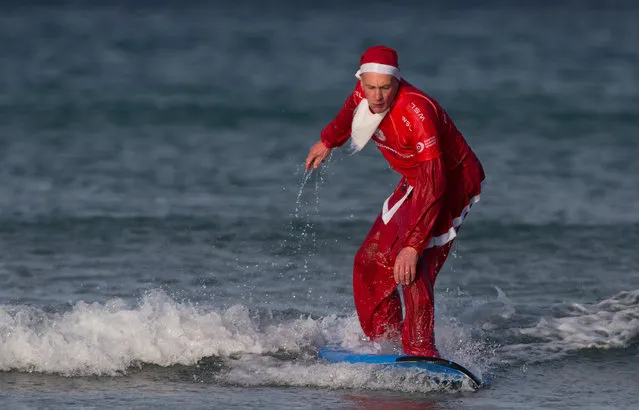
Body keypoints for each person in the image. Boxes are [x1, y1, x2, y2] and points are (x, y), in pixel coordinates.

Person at [305, 45, 485, 357]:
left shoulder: (417, 112)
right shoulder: (363, 95)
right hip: (417, 181)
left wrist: (414, 244)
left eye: (385, 88)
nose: (377, 96)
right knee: (369, 261)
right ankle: (385, 342)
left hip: (451, 181)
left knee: (412, 265)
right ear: (361, 82)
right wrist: (327, 141)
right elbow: (349, 112)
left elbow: (435, 180)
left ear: (396, 82)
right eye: (371, 87)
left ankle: (421, 351)